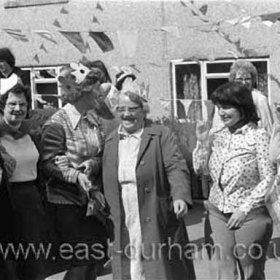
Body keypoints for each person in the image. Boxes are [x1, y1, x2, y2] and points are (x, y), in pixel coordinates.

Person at [102, 80, 196, 280]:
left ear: (144, 110)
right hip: (124, 211)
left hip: (153, 209)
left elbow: (176, 166)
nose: (126, 114)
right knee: (129, 265)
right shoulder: (111, 140)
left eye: (132, 109)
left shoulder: (160, 134)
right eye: (121, 109)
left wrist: (179, 196)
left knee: (159, 268)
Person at [193, 82, 275, 279]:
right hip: (217, 212)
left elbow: (269, 178)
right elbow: (200, 170)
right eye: (219, 107)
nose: (221, 112)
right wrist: (202, 142)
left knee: (250, 272)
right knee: (222, 271)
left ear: (242, 107)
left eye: (227, 107)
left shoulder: (259, 136)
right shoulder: (217, 135)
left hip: (250, 215)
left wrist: (244, 209)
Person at [40, 62, 111, 280]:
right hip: (67, 202)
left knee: (95, 259)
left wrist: (92, 164)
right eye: (96, 90)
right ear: (82, 92)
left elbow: (100, 154)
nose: (100, 94)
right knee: (82, 261)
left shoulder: (93, 119)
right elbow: (48, 163)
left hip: (92, 200)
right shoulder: (57, 123)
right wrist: (76, 175)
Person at [0, 84, 48, 280]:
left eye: (22, 104)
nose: (18, 108)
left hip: (31, 202)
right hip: (6, 202)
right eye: (12, 104)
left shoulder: (32, 134)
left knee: (33, 261)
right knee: (9, 263)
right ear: (2, 106)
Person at [212, 60, 273, 134]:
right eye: (240, 79)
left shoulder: (260, 99)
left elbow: (268, 128)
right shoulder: (225, 98)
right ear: (233, 80)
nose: (244, 83)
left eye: (247, 79)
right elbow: (217, 125)